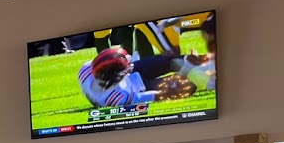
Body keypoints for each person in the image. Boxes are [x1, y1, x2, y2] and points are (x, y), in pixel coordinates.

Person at [78, 47, 207, 108]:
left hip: (129, 78)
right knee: (187, 86)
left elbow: (107, 63)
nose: (130, 61)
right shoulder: (119, 98)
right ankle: (203, 72)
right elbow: (167, 93)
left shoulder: (86, 71)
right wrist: (187, 68)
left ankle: (209, 60)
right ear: (117, 76)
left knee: (170, 61)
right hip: (140, 88)